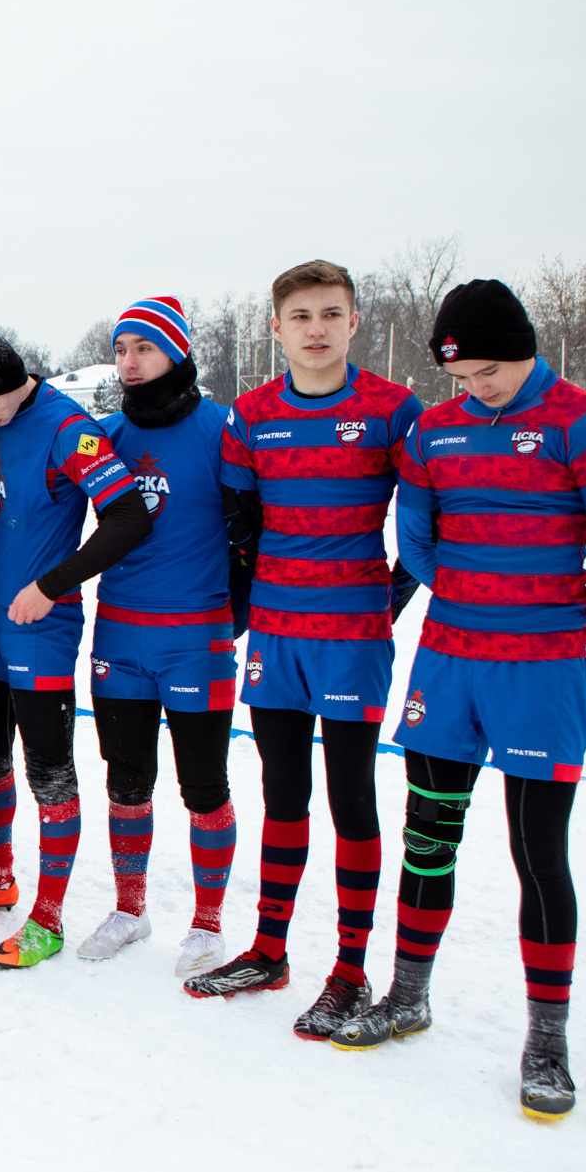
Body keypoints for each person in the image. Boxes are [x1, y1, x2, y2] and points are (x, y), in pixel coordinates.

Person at [332, 279, 586, 1123]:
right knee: (428, 834)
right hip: (447, 665)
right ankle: (408, 995)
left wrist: (562, 625)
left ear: (524, 349)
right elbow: (416, 538)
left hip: (540, 676)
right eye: (461, 373)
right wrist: (472, 599)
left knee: (537, 851)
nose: (474, 386)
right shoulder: (436, 431)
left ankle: (546, 1040)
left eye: (489, 370)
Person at [184, 261, 426, 1037]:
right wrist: (244, 608)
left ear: (355, 323)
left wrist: (380, 601)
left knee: (351, 796)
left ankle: (351, 970)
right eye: (300, 316)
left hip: (353, 637)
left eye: (331, 313)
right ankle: (269, 948)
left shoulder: (395, 409)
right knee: (282, 791)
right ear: (277, 329)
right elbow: (239, 524)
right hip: (278, 636)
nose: (316, 328)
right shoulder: (251, 415)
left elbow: (425, 532)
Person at [0, 331, 152, 968]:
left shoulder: (69, 428)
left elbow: (130, 517)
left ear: (20, 380)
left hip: (43, 622)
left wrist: (51, 585)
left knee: (49, 772)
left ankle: (50, 915)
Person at [66, 298, 239, 976]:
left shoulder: (221, 429)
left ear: (176, 352)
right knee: (126, 780)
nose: (128, 362)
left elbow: (252, 530)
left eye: (143, 347)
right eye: (120, 349)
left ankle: (207, 923)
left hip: (196, 636)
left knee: (205, 785)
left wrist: (236, 612)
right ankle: (130, 909)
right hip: (120, 635)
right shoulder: (104, 434)